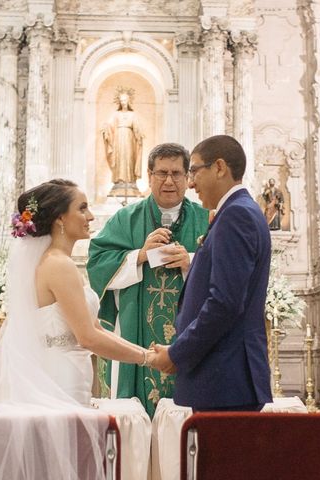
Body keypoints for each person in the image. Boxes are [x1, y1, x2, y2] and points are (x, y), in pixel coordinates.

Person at [0, 179, 156, 479]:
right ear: (60, 219)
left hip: (62, 370)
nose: (90, 217)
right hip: (59, 377)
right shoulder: (58, 265)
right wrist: (147, 358)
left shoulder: (51, 261)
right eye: (83, 208)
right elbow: (88, 336)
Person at [150, 135, 273, 412]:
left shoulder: (236, 215)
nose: (190, 183)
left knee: (220, 456)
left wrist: (176, 354)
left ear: (219, 167)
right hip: (225, 379)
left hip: (225, 380)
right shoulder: (239, 211)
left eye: (193, 171)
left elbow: (224, 303)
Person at [87, 143, 209, 417]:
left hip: (189, 332)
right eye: (161, 173)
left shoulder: (206, 219)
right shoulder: (126, 219)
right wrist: (139, 256)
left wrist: (191, 261)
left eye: (176, 173)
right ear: (149, 176)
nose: (169, 181)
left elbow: (224, 272)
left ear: (188, 177)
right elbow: (96, 263)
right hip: (134, 331)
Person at [101, 89, 144, 195]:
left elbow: (137, 128)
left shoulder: (133, 114)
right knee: (119, 158)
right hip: (118, 138)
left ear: (129, 101)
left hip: (129, 139)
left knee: (129, 158)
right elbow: (110, 125)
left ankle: (130, 180)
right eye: (121, 100)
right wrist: (106, 128)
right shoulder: (116, 114)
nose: (123, 102)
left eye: (125, 100)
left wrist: (139, 135)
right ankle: (119, 180)